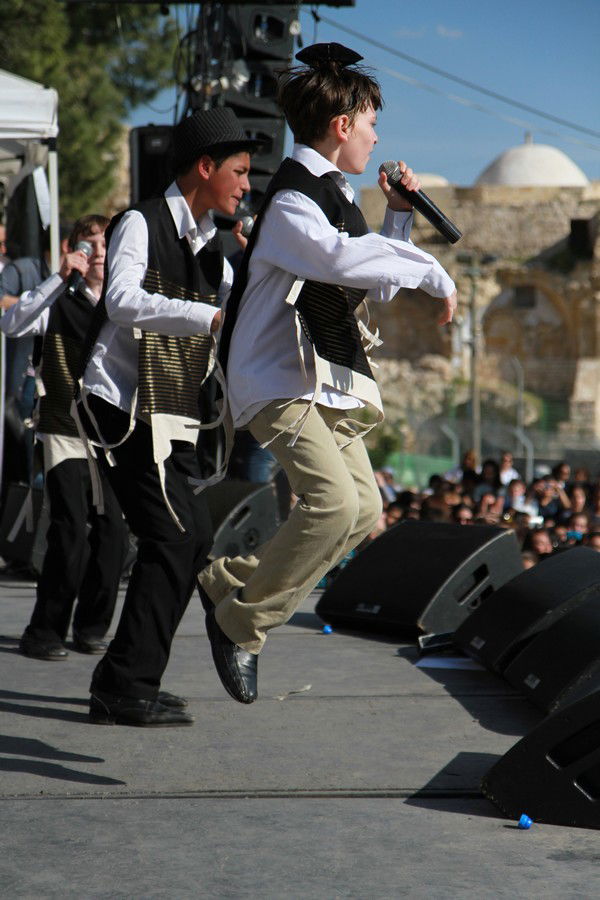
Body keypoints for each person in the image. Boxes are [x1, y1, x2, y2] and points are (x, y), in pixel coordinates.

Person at [197, 42, 457, 705]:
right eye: (371, 125)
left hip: (323, 381)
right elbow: (340, 260)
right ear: (342, 126)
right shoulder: (291, 200)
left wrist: (398, 214)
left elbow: (371, 276)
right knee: (334, 503)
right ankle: (240, 623)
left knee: (364, 506)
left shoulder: (336, 198)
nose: (376, 140)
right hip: (277, 380)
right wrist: (430, 269)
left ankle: (230, 582)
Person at [77, 108, 261, 726]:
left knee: (191, 542)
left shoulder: (218, 254)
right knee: (174, 538)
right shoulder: (140, 221)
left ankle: (125, 677)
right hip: (122, 407)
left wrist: (257, 263)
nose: (245, 185)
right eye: (238, 172)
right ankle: (126, 684)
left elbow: (237, 329)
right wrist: (203, 315)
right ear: (205, 167)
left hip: (169, 416)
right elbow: (122, 300)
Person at [0, 215, 127, 660]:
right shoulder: (58, 299)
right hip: (62, 427)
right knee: (70, 529)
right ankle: (45, 631)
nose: (99, 254)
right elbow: (13, 324)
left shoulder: (124, 301)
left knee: (113, 533)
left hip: (110, 435)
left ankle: (92, 627)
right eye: (89, 245)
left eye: (107, 244)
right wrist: (58, 277)